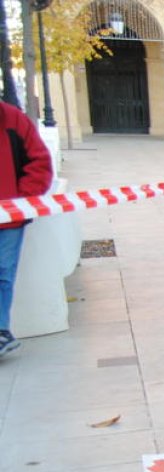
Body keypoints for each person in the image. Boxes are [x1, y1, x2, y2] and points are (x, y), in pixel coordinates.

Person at [0, 101, 53, 357]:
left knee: (2, 273)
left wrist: (24, 201)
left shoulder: (12, 119)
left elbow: (39, 162)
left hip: (9, 218)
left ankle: (0, 330)